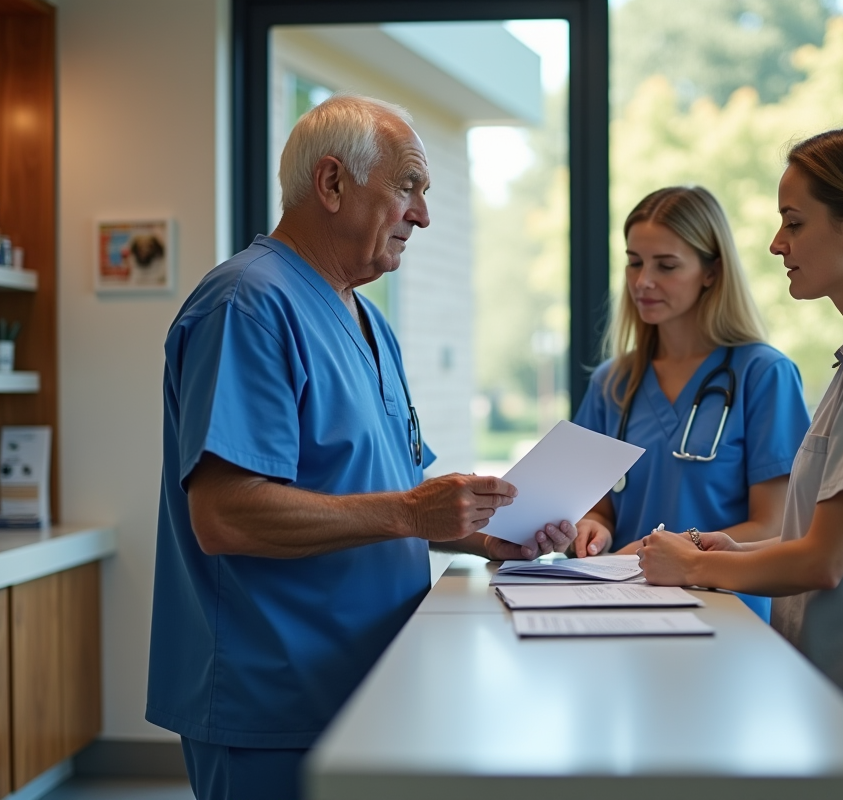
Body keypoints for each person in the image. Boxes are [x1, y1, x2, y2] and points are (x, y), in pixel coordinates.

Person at [145, 93, 576, 800]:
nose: (424, 214)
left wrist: (484, 533)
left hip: (367, 685)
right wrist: (413, 512)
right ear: (333, 183)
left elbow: (376, 494)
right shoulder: (247, 306)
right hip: (275, 698)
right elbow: (225, 516)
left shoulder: (370, 320)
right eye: (408, 187)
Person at [636, 124, 843, 798]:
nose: (774, 244)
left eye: (793, 222)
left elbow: (825, 562)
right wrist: (731, 549)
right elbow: (839, 543)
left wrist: (700, 567)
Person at [572, 185, 810, 623]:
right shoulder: (613, 383)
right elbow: (597, 503)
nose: (643, 281)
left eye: (666, 266)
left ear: (711, 272)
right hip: (624, 609)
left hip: (727, 611)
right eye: (634, 262)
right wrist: (595, 527)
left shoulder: (764, 375)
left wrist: (667, 551)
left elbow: (776, 525)